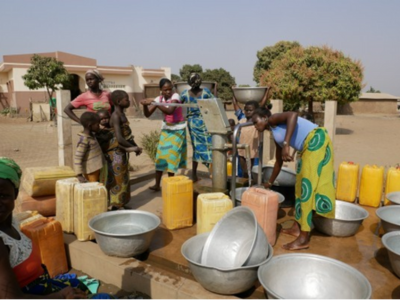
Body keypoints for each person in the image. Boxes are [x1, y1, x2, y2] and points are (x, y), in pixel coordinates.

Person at [0, 157, 88, 298]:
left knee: (79, 285)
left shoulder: (12, 222)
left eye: (3, 196)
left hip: (41, 285)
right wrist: (60, 296)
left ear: (15, 194)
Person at [251, 108, 335, 250]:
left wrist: (286, 145)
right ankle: (297, 226)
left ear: (265, 117)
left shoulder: (273, 120)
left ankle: (304, 237)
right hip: (306, 147)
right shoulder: (275, 133)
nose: (255, 125)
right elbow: (278, 162)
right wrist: (269, 183)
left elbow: (293, 115)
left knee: (307, 188)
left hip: (316, 139)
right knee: (300, 188)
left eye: (255, 121)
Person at [140, 78, 187, 191]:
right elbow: (147, 115)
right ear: (160, 89)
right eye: (165, 90)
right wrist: (145, 105)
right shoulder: (159, 99)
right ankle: (157, 185)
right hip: (166, 130)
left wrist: (155, 103)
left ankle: (170, 184)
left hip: (178, 130)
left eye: (170, 89)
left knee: (171, 157)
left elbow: (170, 110)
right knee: (160, 157)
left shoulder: (175, 97)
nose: (168, 92)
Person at [107, 90, 142, 209]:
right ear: (118, 101)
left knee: (124, 177)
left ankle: (122, 202)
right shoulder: (115, 116)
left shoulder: (122, 114)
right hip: (116, 151)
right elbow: (120, 139)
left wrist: (134, 145)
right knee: (118, 179)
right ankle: (115, 205)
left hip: (122, 151)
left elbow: (127, 135)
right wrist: (133, 148)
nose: (128, 100)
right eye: (126, 99)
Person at [180, 73, 214, 182]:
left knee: (196, 148)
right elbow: (215, 102)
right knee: (209, 145)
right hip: (205, 122)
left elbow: (177, 104)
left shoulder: (185, 93)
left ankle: (194, 175)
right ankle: (212, 172)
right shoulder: (206, 92)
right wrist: (215, 88)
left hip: (192, 123)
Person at [232, 88, 269, 178]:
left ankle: (250, 183)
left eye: (250, 110)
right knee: (242, 171)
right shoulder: (242, 119)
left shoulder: (256, 121)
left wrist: (267, 91)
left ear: (256, 111)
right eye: (246, 110)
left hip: (253, 150)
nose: (248, 112)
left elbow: (263, 104)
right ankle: (244, 183)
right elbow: (235, 104)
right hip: (241, 148)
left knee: (251, 172)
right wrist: (233, 92)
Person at [74, 112, 106, 184]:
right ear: (90, 125)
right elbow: (78, 158)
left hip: (96, 169)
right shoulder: (84, 140)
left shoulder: (92, 135)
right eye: (97, 124)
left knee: (98, 187)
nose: (99, 126)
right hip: (91, 171)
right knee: (93, 189)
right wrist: (79, 175)